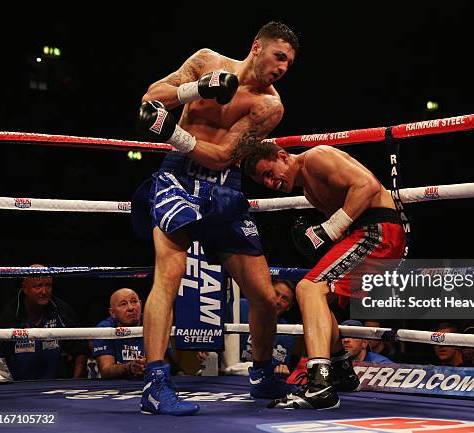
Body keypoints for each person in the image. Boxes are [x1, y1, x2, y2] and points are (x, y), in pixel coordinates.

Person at [132, 21, 299, 415]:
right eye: (279, 57)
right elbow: (151, 97)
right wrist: (198, 89)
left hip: (225, 186)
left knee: (263, 296)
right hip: (177, 178)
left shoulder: (269, 106)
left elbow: (224, 155)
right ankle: (155, 384)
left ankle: (261, 376)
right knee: (167, 278)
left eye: (290, 64)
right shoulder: (207, 60)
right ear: (257, 47)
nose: (282, 69)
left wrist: (170, 131)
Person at [243, 141, 406, 409]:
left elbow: (367, 186)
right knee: (316, 298)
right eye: (265, 181)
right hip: (364, 234)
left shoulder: (318, 158)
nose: (271, 183)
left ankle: (320, 384)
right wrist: (323, 237)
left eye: (270, 173)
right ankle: (340, 370)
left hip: (378, 230)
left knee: (308, 288)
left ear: (282, 156)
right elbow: (340, 228)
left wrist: (329, 228)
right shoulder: (309, 191)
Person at [0, 265, 86, 380]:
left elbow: (81, 350)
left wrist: (75, 384)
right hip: (18, 389)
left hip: (57, 387)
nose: (44, 291)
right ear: (25, 288)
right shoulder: (9, 316)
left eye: (48, 285)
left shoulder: (62, 312)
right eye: (38, 286)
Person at [198, 279, 297, 376]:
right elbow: (212, 327)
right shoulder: (238, 307)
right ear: (267, 292)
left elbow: (275, 368)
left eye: (285, 298)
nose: (278, 301)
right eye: (275, 293)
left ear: (289, 307)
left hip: (254, 379)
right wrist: (205, 345)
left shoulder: (287, 332)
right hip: (219, 372)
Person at [92, 288, 147, 379]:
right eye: (123, 304)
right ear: (112, 312)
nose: (131, 308)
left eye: (134, 301)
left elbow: (165, 362)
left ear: (140, 304)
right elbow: (105, 370)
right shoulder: (105, 329)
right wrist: (129, 367)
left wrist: (150, 364)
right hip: (118, 385)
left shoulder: (153, 324)